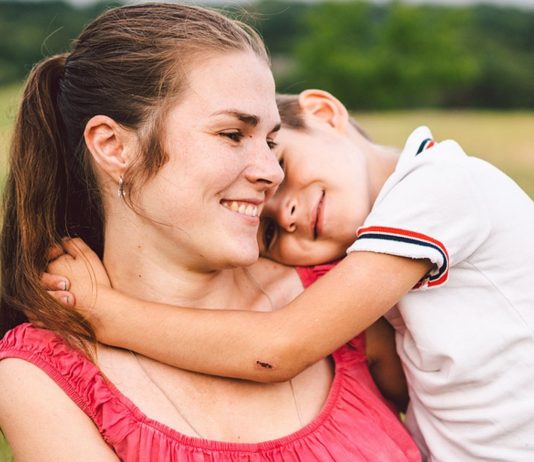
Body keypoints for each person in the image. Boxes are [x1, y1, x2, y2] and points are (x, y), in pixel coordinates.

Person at [0, 4, 420, 461]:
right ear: (113, 146)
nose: (270, 174)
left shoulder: (336, 298)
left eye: (271, 142)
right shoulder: (43, 378)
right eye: (232, 134)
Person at [48, 88, 534, 461]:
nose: (290, 212)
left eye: (283, 164)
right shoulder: (384, 240)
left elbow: (280, 348)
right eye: (271, 233)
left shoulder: (441, 186)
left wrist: (104, 312)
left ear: (324, 113)